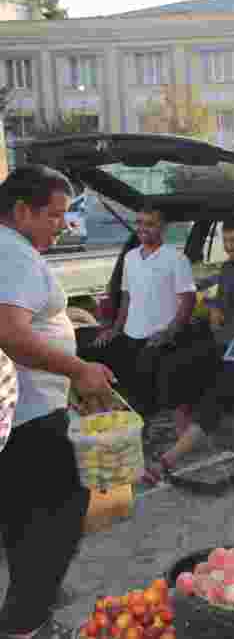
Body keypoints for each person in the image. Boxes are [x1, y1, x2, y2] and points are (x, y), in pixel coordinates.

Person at [0, 165, 117, 639]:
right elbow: (11, 334)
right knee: (61, 514)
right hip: (30, 418)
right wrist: (79, 370)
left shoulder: (11, 252)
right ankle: (27, 621)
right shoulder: (15, 255)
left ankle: (28, 603)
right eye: (54, 215)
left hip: (19, 415)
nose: (62, 225)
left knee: (25, 518)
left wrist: (62, 317)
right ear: (22, 211)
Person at [143, 217, 234, 481]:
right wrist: (215, 309)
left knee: (217, 397)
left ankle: (168, 460)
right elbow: (223, 305)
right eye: (226, 241)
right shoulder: (227, 269)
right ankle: (192, 439)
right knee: (177, 366)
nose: (230, 246)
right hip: (225, 341)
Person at [81, 205, 199, 437]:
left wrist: (169, 333)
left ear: (163, 228)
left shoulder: (176, 258)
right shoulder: (130, 257)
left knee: (152, 393)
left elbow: (188, 300)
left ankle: (158, 433)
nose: (143, 229)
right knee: (125, 384)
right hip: (131, 334)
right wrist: (114, 329)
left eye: (150, 224)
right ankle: (133, 431)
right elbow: (127, 296)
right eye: (140, 223)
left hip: (159, 338)